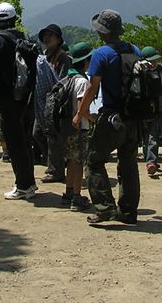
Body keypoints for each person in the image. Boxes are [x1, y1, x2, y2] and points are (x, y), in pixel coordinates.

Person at [73, 9, 141, 225]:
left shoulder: (101, 54)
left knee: (93, 161)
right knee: (128, 162)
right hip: (134, 116)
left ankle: (104, 209)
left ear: (102, 32)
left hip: (112, 116)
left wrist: (79, 114)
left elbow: (92, 89)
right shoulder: (134, 50)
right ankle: (129, 212)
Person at [0, 2, 38, 200]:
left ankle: (23, 186)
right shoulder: (23, 38)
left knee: (15, 143)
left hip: (8, 97)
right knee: (25, 141)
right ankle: (30, 182)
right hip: (27, 96)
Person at [33, 23, 71, 183]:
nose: (47, 38)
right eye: (45, 36)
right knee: (38, 133)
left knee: (52, 136)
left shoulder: (62, 57)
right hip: (44, 102)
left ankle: (55, 170)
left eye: (51, 35)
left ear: (58, 39)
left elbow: (62, 81)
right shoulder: (45, 56)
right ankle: (56, 162)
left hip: (54, 102)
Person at [62, 41, 94, 211]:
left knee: (70, 161)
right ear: (85, 61)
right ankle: (76, 197)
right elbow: (82, 108)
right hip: (79, 128)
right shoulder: (81, 81)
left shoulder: (68, 78)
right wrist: (93, 118)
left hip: (67, 128)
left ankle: (68, 193)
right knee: (78, 161)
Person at [140, 46, 162, 177]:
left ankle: (151, 161)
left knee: (152, 134)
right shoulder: (156, 71)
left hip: (154, 107)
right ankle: (150, 160)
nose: (154, 63)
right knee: (148, 135)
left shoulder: (160, 71)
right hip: (149, 107)